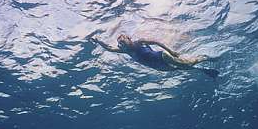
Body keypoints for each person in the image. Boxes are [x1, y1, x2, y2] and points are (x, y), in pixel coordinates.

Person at [90, 33, 219, 78]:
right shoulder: (126, 51)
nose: (121, 44)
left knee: (187, 64)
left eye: (123, 41)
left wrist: (172, 51)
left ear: (129, 39)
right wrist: (98, 41)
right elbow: (109, 48)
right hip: (157, 66)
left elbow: (157, 42)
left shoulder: (138, 42)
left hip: (162, 56)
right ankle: (204, 70)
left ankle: (205, 58)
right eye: (120, 43)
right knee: (182, 68)